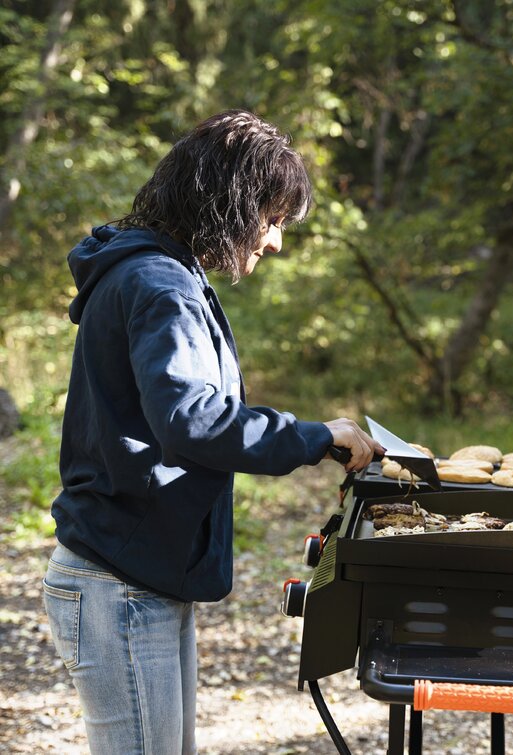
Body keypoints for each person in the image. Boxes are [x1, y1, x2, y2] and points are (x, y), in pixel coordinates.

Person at [42, 109, 384, 754]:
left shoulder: (162, 273)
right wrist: (317, 436)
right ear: (230, 202)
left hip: (139, 576)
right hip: (117, 584)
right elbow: (192, 420)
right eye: (273, 219)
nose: (275, 241)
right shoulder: (158, 282)